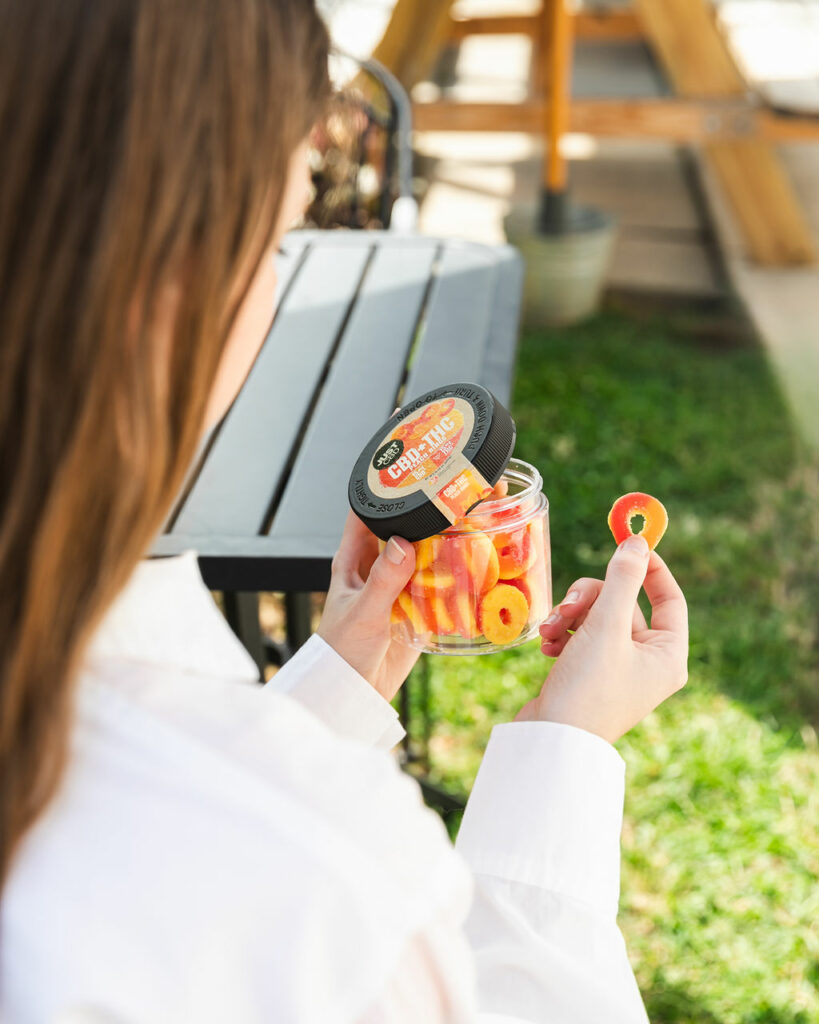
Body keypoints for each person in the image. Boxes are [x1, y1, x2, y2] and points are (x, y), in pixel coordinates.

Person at [0, 1, 688, 1020]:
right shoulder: (326, 879)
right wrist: (565, 750)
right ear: (163, 284)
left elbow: (180, 828)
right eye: (274, 243)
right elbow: (266, 878)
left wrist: (338, 684)